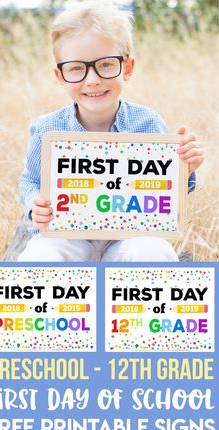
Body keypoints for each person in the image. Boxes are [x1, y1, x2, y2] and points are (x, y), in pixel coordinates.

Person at [18, 0, 204, 262]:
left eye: (106, 64)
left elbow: (168, 189)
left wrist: (186, 166)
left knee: (155, 251)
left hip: (129, 238)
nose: (92, 79)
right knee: (38, 255)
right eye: (76, 68)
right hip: (67, 236)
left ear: (126, 68)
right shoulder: (48, 129)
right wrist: (34, 203)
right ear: (61, 77)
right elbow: (30, 180)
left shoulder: (148, 124)